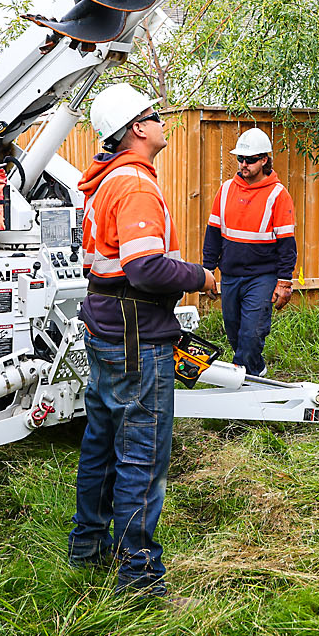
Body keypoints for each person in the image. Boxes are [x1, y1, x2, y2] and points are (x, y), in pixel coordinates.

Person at [69, 83, 217, 598]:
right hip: (136, 339)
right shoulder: (134, 185)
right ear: (137, 128)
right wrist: (201, 277)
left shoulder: (106, 181)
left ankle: (88, 547)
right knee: (142, 456)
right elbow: (146, 267)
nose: (161, 123)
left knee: (102, 442)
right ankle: (138, 573)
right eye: (154, 115)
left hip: (107, 330)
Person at [200, 127, 297, 377]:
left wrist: (284, 283)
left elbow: (287, 245)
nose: (243, 164)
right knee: (234, 332)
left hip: (262, 277)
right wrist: (207, 270)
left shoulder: (278, 195)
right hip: (231, 275)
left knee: (251, 333)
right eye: (240, 159)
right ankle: (256, 372)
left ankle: (241, 384)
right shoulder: (225, 191)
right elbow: (213, 234)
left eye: (250, 160)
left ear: (264, 159)